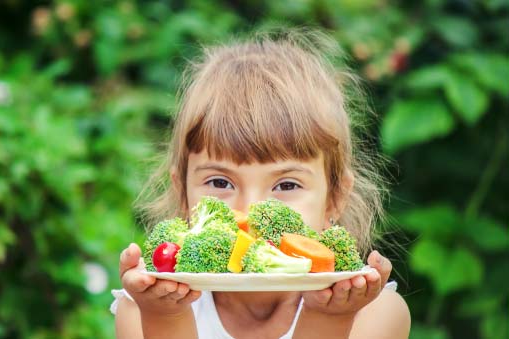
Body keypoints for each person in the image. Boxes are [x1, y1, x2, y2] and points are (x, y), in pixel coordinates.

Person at [112, 28, 411, 339]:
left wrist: (328, 317)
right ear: (183, 194)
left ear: (334, 198)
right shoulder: (141, 309)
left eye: (286, 186)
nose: (251, 211)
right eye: (219, 181)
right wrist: (166, 317)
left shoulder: (375, 313)